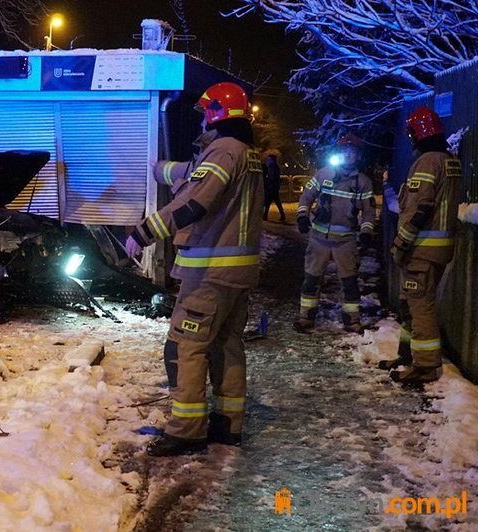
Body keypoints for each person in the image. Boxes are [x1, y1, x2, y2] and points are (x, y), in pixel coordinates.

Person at [125, 82, 264, 456]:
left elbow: (196, 201)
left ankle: (186, 430)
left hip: (210, 272)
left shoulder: (223, 151)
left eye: (206, 113)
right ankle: (227, 424)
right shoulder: (246, 153)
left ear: (217, 113)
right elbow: (195, 174)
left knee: (185, 345)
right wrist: (161, 170)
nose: (203, 120)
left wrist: (145, 231)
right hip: (237, 272)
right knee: (226, 345)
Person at [380, 106, 461, 385]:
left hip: (421, 249)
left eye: (412, 132)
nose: (411, 138)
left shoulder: (427, 162)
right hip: (437, 249)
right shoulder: (449, 160)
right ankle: (408, 355)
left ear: (419, 132)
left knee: (421, 305)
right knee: (410, 303)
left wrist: (401, 243)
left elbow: (420, 207)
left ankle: (425, 366)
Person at [294, 134, 376, 333]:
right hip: (319, 238)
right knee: (311, 279)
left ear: (358, 156)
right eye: (344, 151)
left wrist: (366, 232)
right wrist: (302, 216)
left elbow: (369, 211)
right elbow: (306, 196)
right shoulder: (324, 174)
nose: (348, 155)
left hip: (345, 240)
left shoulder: (363, 182)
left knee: (349, 282)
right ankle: (306, 317)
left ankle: (352, 320)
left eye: (352, 152)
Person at [262, 153, 286, 222]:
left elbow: (272, 178)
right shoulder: (273, 167)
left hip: (272, 187)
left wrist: (269, 185)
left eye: (268, 159)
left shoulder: (272, 167)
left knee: (269, 202)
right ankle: (266, 215)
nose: (267, 161)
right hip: (274, 187)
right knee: (273, 202)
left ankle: (265, 215)